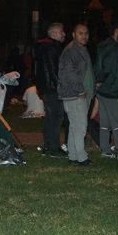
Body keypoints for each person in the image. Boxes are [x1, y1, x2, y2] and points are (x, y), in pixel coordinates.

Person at [58, 24, 94, 166]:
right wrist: (80, 90)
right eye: (80, 33)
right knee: (80, 126)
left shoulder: (81, 49)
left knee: (75, 126)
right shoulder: (71, 51)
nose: (84, 36)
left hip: (83, 95)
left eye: (86, 33)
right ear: (73, 34)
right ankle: (82, 157)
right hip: (75, 95)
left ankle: (73, 155)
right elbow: (68, 74)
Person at [95, 22, 118, 161]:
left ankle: (106, 150)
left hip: (103, 91)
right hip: (112, 90)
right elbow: (108, 68)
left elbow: (100, 66)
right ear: (117, 30)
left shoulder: (103, 45)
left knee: (105, 123)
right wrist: (101, 79)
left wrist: (99, 82)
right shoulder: (113, 47)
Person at [34, 22, 68, 158]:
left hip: (46, 87)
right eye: (61, 31)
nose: (64, 34)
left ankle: (49, 146)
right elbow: (55, 70)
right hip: (53, 88)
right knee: (56, 117)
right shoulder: (53, 47)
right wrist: (61, 86)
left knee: (50, 118)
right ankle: (53, 148)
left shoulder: (42, 47)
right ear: (54, 33)